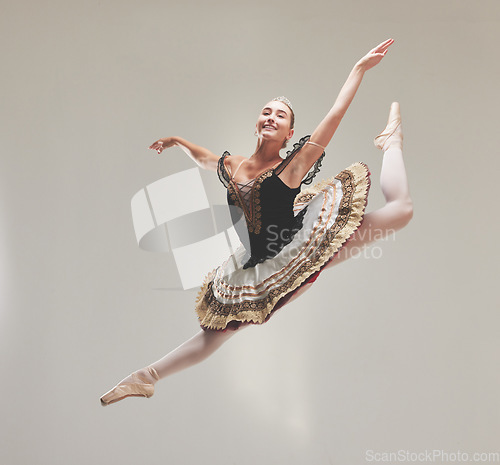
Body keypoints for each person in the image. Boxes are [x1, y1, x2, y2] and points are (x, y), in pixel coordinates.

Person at [100, 38, 412, 406]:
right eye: (267, 111)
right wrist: (176, 140)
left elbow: (335, 115)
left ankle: (391, 143)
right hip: (255, 265)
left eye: (281, 116)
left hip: (301, 246)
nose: (272, 117)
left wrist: (358, 70)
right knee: (217, 331)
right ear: (257, 123)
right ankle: (145, 377)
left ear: (290, 134)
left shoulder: (293, 166)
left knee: (401, 210)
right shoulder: (232, 166)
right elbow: (202, 158)